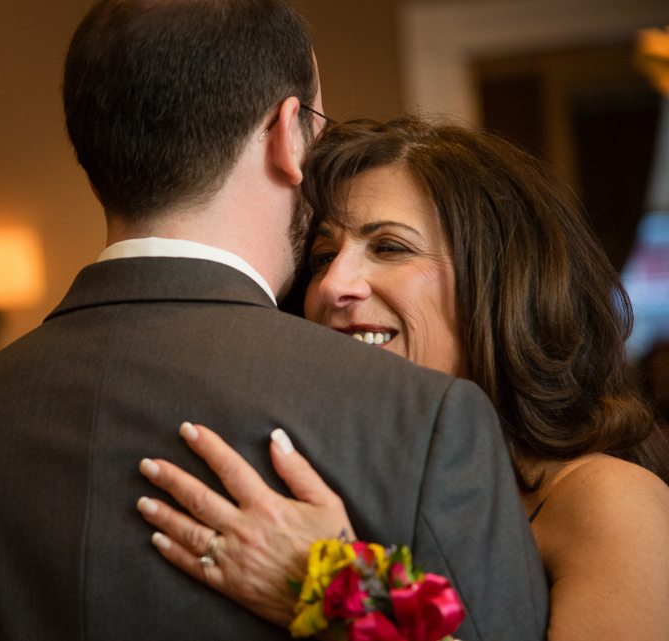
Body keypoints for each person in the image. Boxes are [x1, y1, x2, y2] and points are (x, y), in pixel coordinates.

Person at [0, 2, 547, 639]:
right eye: (316, 127)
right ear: (285, 136)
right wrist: (347, 591)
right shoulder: (423, 422)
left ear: (96, 162)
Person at [137, 117, 669, 639]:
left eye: (390, 247)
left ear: (499, 282)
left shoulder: (608, 500)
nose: (332, 286)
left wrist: (337, 589)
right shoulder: (325, 481)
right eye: (323, 257)